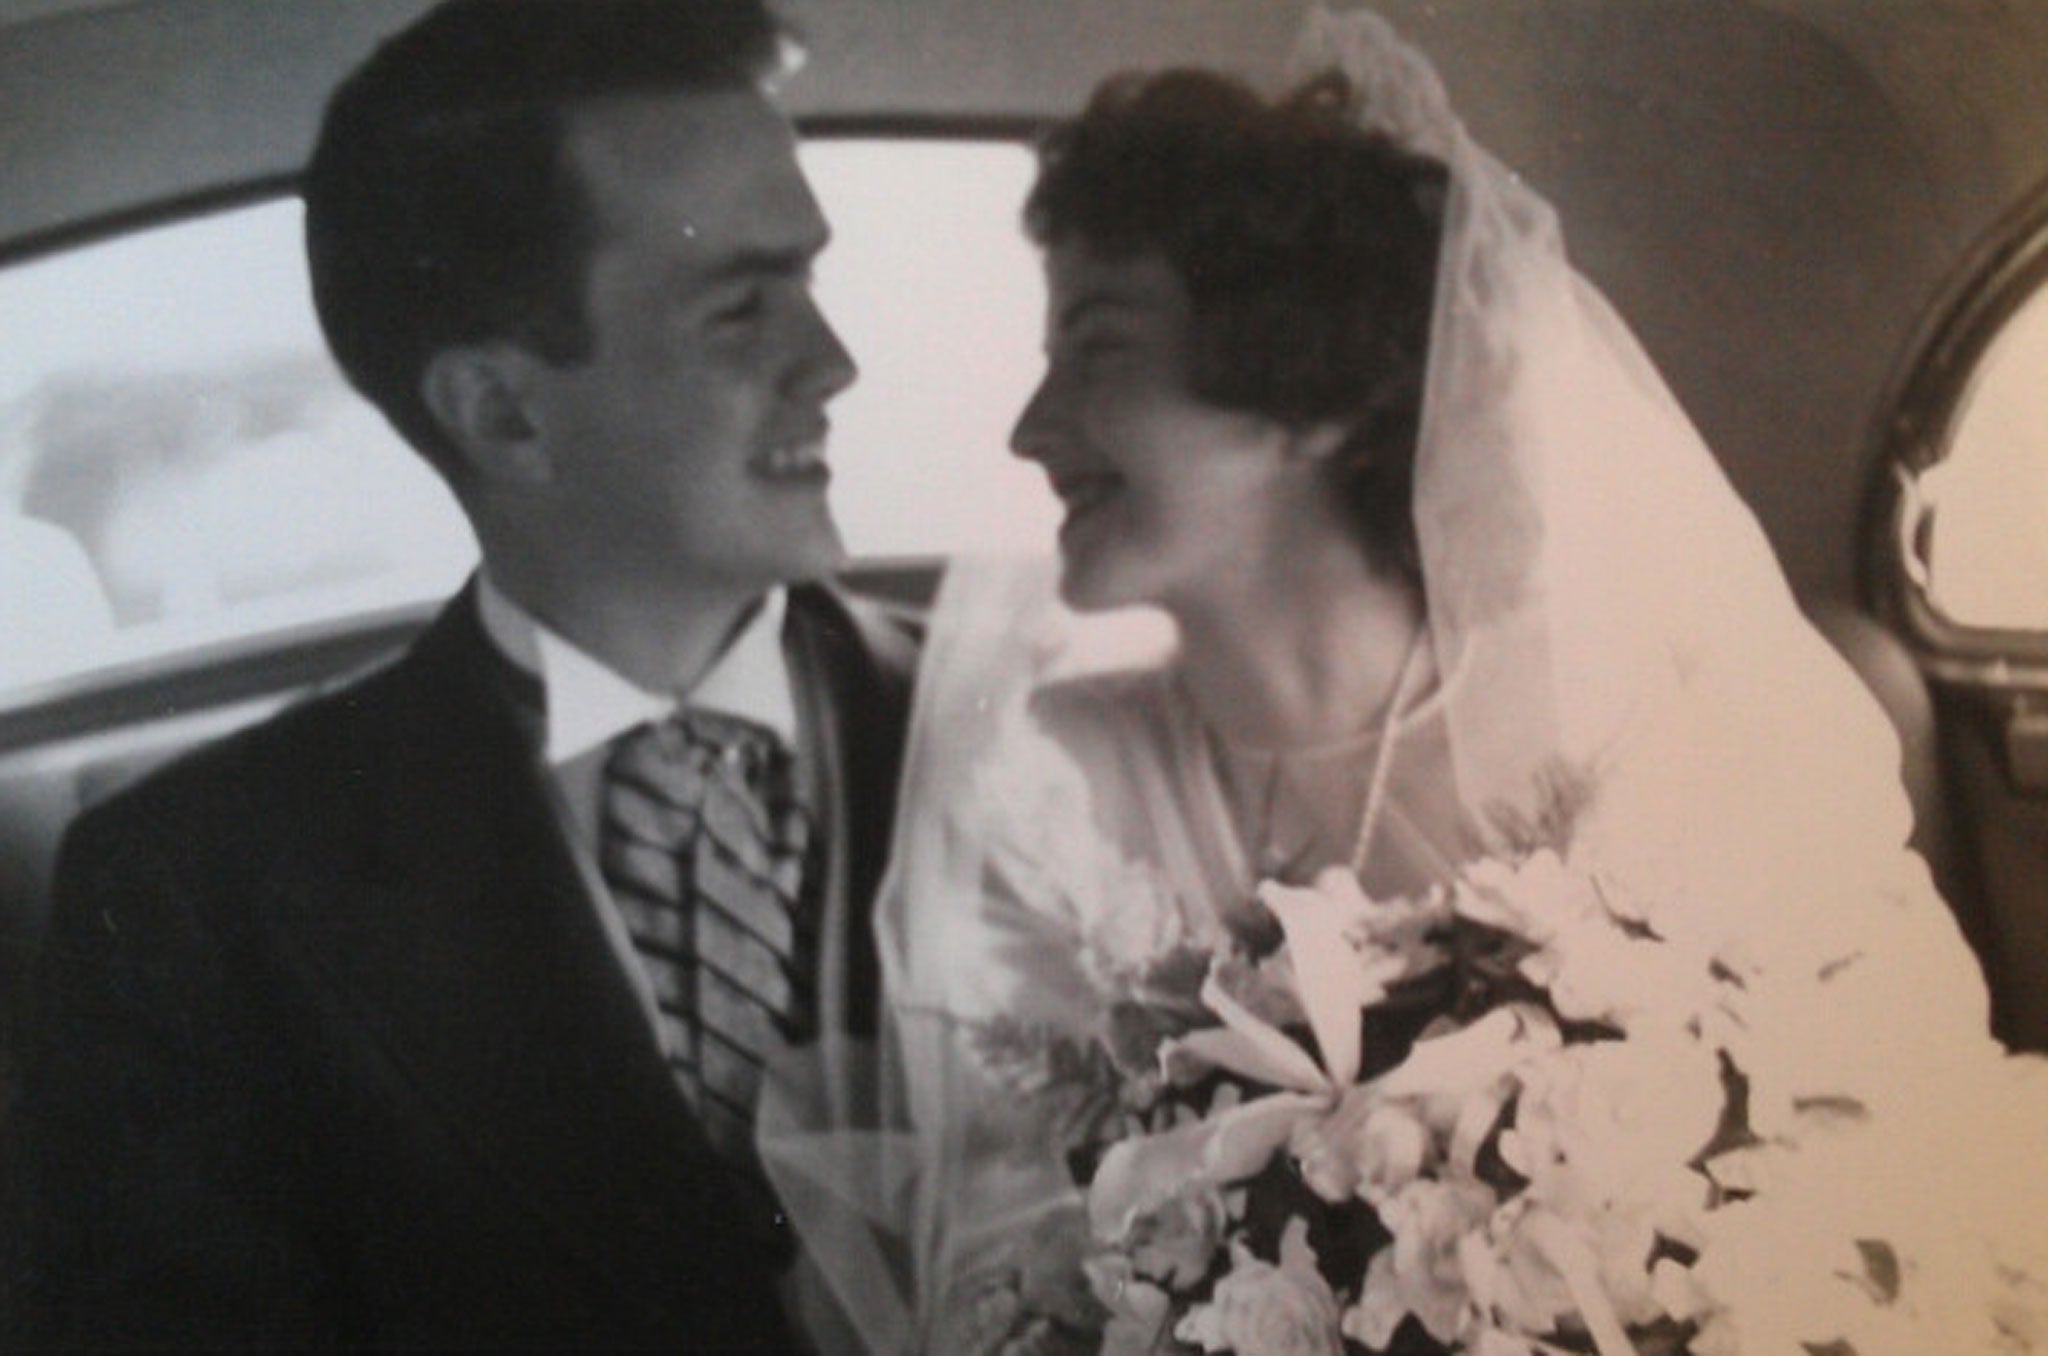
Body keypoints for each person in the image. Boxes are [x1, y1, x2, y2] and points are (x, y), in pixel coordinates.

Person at [866, 9, 2027, 1353]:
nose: (1029, 429)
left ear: (1309, 387)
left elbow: (1869, 1148)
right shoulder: (1044, 785)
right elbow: (1022, 1266)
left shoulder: (1630, 717)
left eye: (1101, 347)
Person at [2, 2, 916, 1349]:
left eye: (811, 282)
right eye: (741, 309)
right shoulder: (195, 898)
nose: (834, 363)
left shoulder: (1054, 740)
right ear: (503, 412)